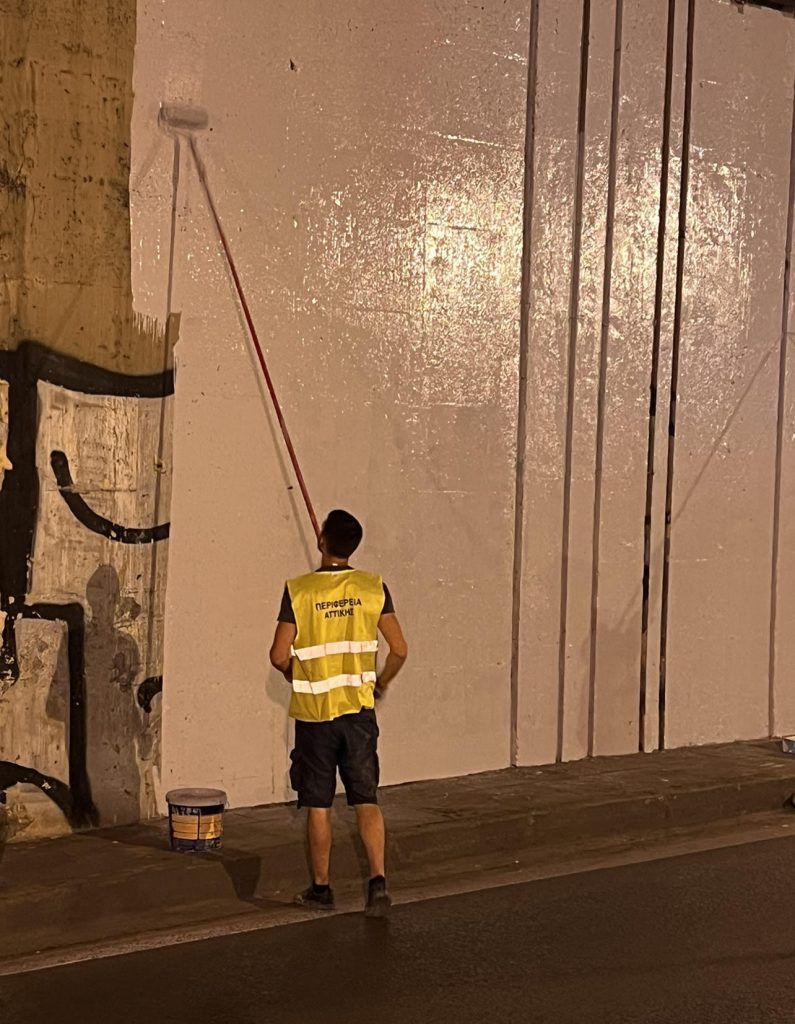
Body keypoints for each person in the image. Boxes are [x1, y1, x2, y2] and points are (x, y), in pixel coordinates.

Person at [269, 509, 408, 917]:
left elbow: (278, 654)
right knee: (366, 798)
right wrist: (380, 683)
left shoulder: (299, 591)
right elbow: (399, 650)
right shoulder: (373, 587)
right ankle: (378, 881)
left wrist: (296, 673)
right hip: (359, 712)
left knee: (319, 803)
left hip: (315, 715)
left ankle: (321, 889)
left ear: (322, 540)